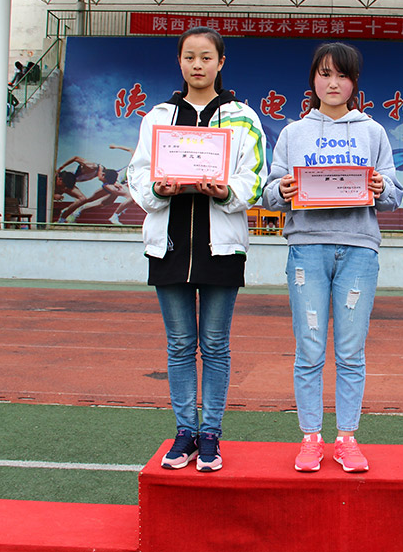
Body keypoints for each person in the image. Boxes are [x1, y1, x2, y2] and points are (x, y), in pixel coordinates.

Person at [127, 26, 267, 472]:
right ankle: (185, 431)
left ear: (221, 63)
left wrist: (226, 192)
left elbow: (255, 176)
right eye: (189, 57)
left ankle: (211, 435)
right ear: (180, 62)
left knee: (216, 345)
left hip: (221, 247)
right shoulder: (158, 117)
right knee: (180, 344)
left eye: (206, 57)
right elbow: (138, 172)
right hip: (169, 246)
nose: (197, 65)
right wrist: (158, 189)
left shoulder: (243, 117)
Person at [263, 41, 403, 474]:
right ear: (313, 79)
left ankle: (346, 439)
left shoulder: (373, 133)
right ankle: (310, 438)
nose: (333, 83)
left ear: (354, 83)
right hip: (306, 247)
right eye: (325, 74)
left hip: (359, 249)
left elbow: (393, 196)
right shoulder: (293, 133)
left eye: (342, 75)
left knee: (350, 350)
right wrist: (281, 190)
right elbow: (269, 193)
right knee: (309, 348)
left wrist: (381, 188)